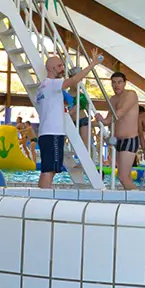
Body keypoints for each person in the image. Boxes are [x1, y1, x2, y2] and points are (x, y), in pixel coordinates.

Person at [36, 55, 98, 189]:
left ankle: (40, 197)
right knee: (49, 171)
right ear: (51, 68)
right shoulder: (53, 84)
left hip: (45, 133)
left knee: (47, 170)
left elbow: (52, 108)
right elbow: (75, 79)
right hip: (53, 133)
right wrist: (92, 64)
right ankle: (43, 201)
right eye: (59, 66)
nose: (62, 69)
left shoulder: (42, 87)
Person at [100, 71, 140, 191]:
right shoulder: (112, 99)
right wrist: (94, 122)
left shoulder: (131, 95)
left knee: (122, 177)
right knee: (125, 177)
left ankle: (139, 202)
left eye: (119, 82)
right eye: (113, 83)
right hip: (118, 141)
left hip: (130, 140)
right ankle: (133, 202)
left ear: (125, 83)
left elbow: (121, 113)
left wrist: (106, 121)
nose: (116, 85)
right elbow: (108, 118)